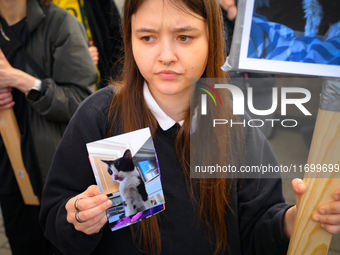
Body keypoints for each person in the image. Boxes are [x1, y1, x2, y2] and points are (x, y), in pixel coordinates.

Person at [39, 0, 340, 254]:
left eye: (184, 37)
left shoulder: (232, 122)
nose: (166, 56)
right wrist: (78, 219)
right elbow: (55, 217)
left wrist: (296, 219)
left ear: (213, 39)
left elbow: (257, 225)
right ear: (129, 40)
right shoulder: (98, 116)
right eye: (147, 38)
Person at [0, 0, 97, 254]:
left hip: (54, 172)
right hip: (10, 171)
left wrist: (22, 81)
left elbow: (81, 101)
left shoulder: (61, 23)